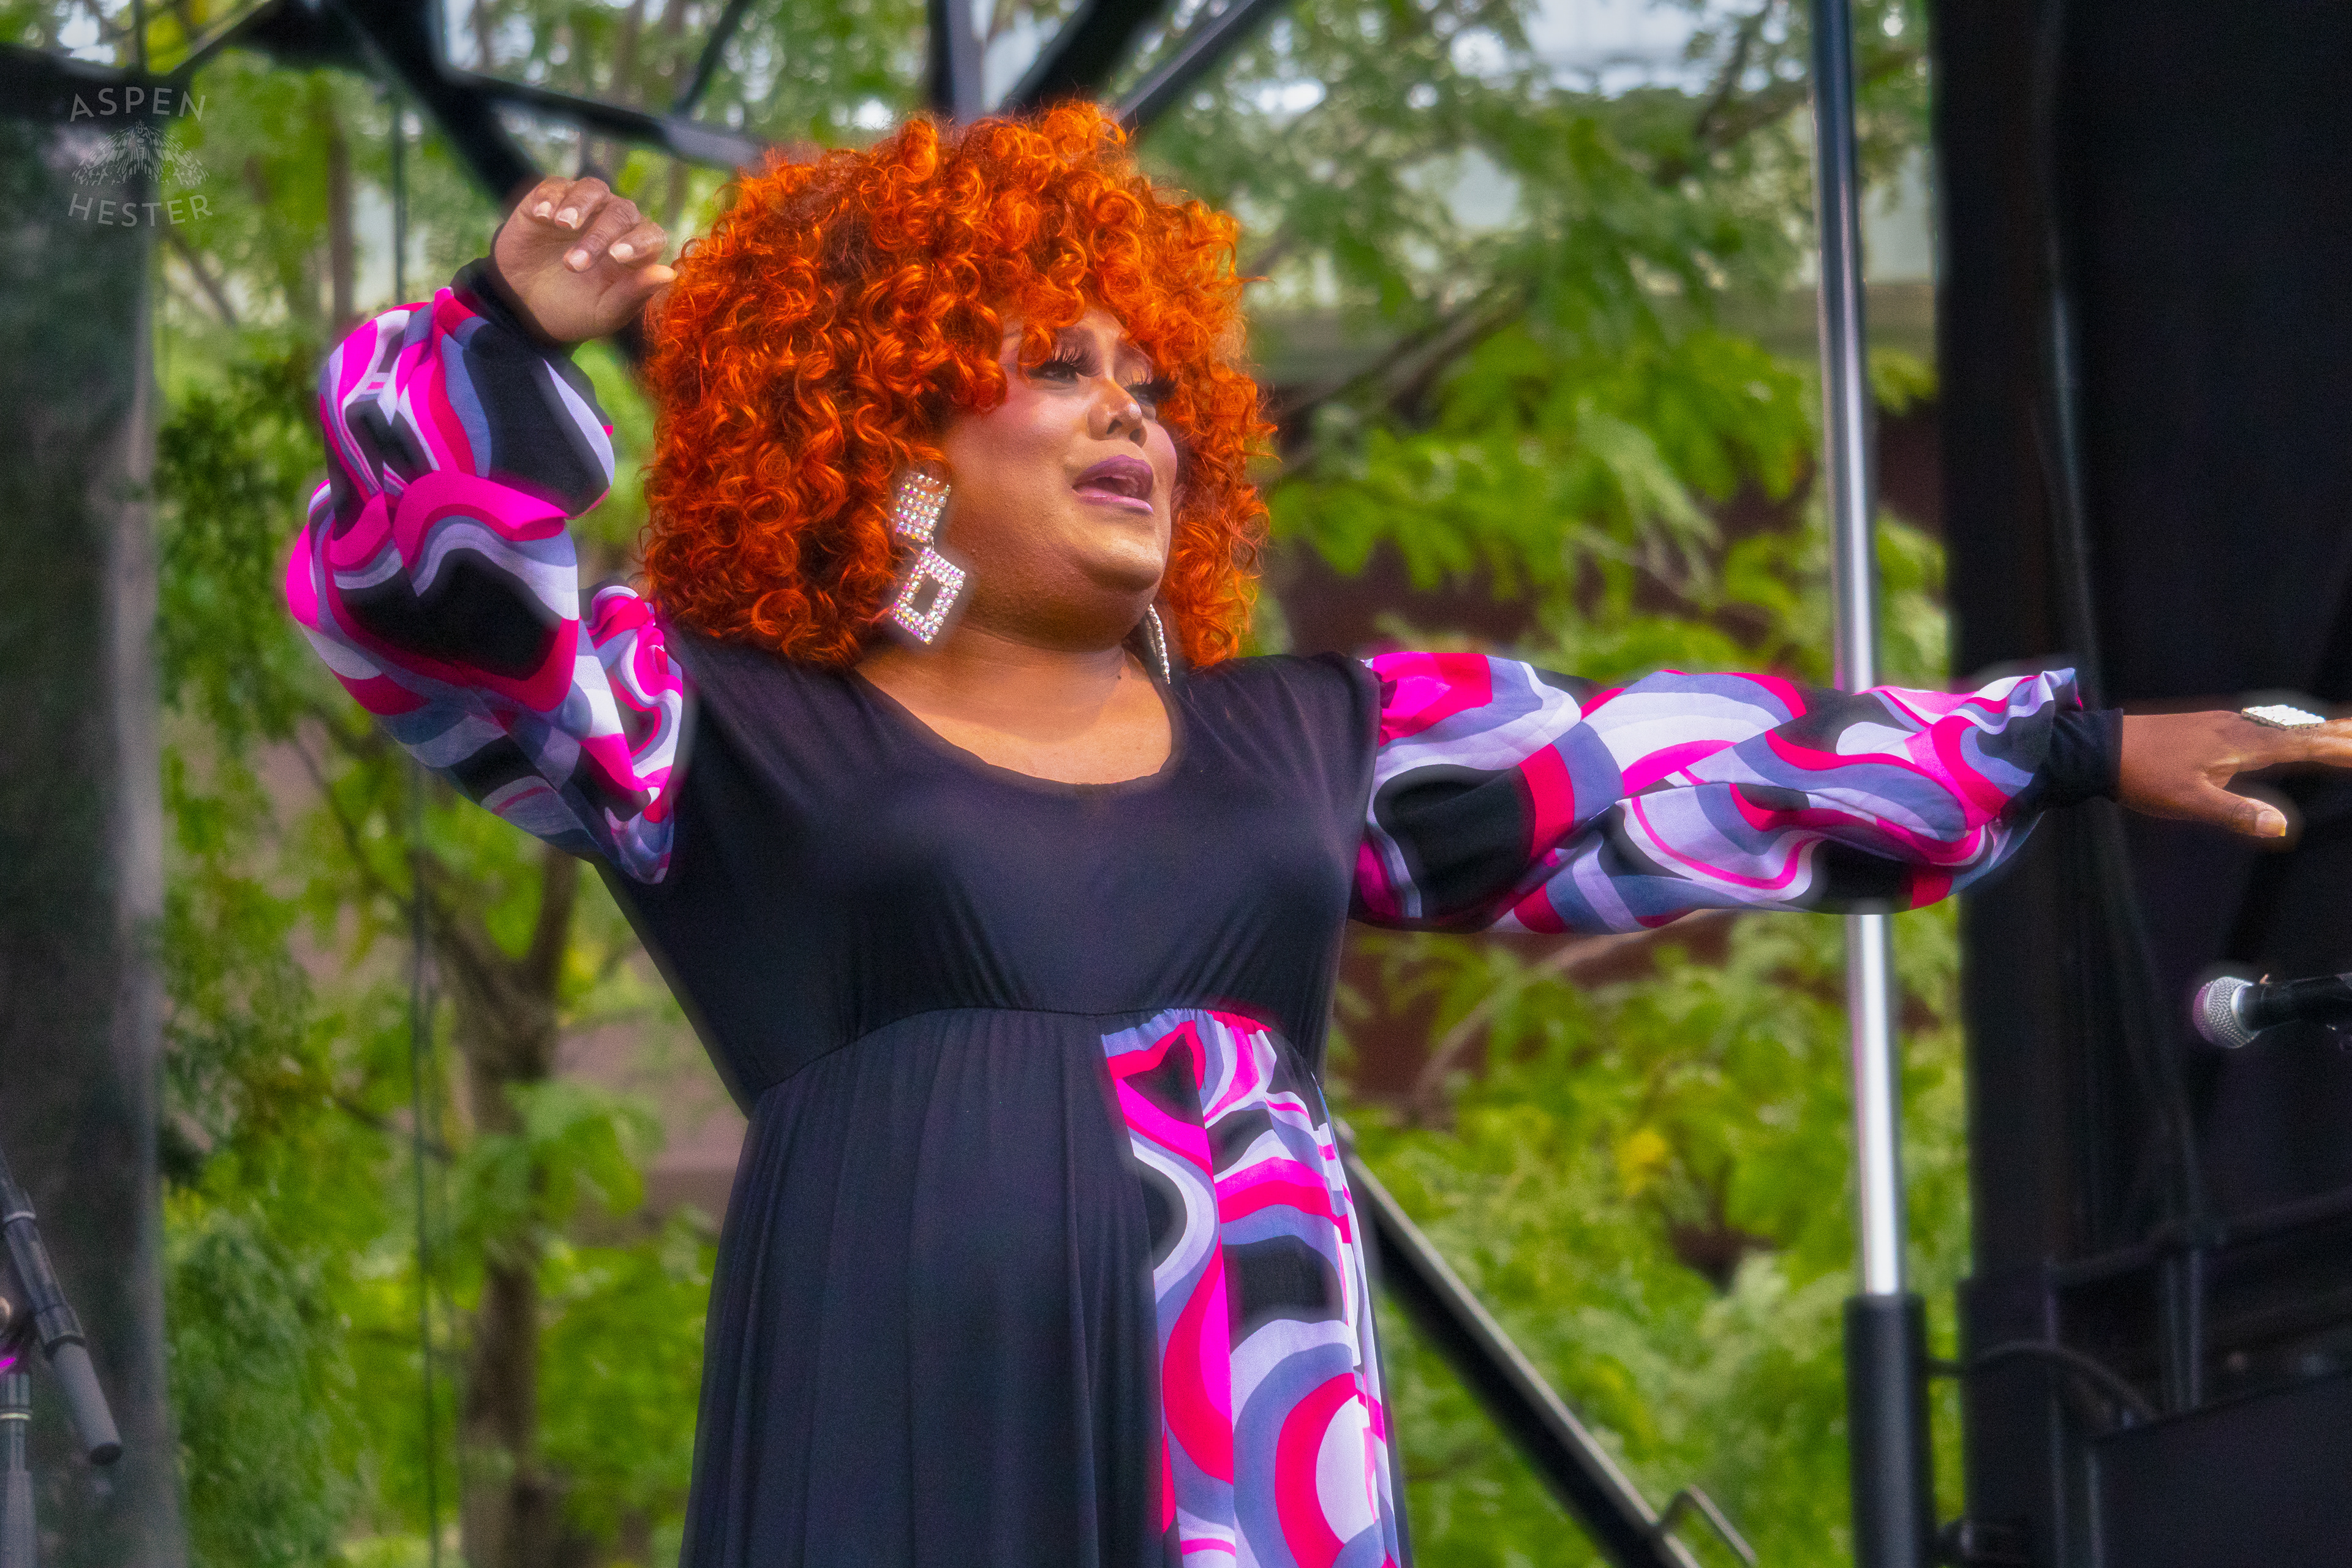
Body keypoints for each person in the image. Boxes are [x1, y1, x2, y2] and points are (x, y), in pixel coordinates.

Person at [284, 104, 2352, 1568]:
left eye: (1154, 382)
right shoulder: (725, 727)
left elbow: (1678, 769)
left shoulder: (1308, 739)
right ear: (888, 431)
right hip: (897, 1377)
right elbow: (421, 615)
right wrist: (486, 332)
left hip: (1240, 1423)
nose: (1135, 416)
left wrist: (2072, 739)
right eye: (1057, 370)